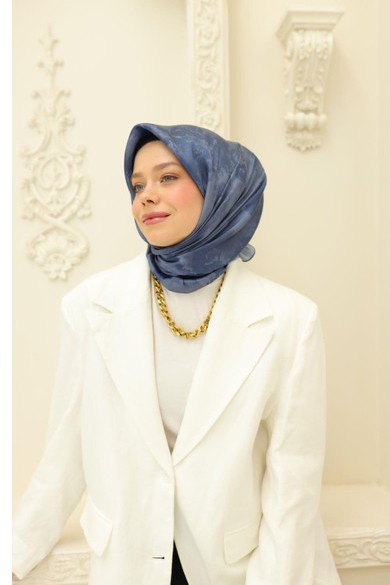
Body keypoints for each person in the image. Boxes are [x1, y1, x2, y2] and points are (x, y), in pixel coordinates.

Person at [12, 123, 341, 584]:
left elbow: (294, 481)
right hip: (127, 560)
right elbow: (66, 447)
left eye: (167, 177)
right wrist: (16, 552)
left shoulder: (291, 320)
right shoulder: (89, 306)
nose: (146, 196)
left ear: (219, 188)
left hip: (233, 566)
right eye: (137, 185)